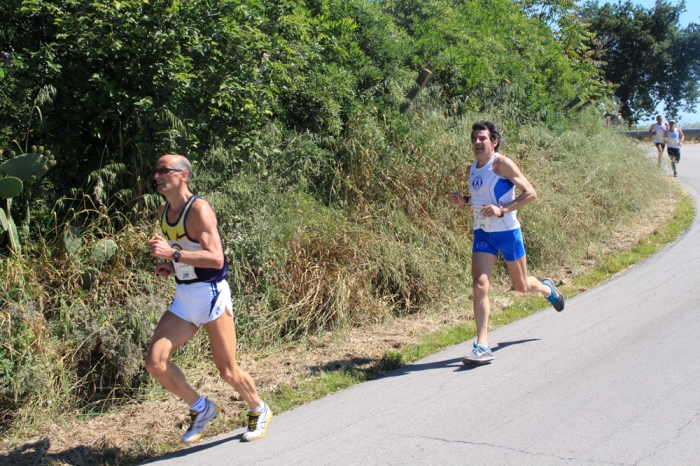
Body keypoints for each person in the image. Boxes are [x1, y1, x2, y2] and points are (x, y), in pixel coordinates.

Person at [146, 154, 272, 443]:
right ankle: (201, 408)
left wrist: (173, 254)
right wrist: (172, 265)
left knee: (227, 370)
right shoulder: (164, 211)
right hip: (185, 296)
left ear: (183, 176)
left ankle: (258, 408)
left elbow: (216, 259)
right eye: (157, 171)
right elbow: (185, 249)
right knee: (155, 362)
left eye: (164, 170)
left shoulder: (199, 210)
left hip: (211, 295)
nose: (158, 175)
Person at [448, 121, 565, 365]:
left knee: (522, 286)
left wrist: (502, 210)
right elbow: (481, 198)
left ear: (494, 141)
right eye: (474, 139)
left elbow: (531, 193)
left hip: (507, 232)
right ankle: (482, 345)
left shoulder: (502, 164)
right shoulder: (473, 168)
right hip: (483, 234)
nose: (477, 143)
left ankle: (547, 289)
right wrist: (465, 200)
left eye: (482, 138)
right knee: (480, 286)